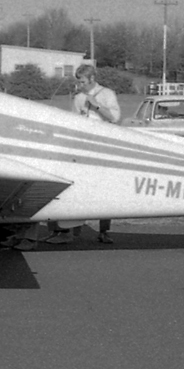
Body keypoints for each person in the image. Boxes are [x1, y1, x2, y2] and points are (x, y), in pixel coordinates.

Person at [69, 64, 120, 244]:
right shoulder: (78, 98)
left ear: (91, 79)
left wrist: (97, 106)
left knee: (104, 190)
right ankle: (73, 231)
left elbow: (115, 118)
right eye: (78, 81)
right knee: (78, 189)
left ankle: (104, 231)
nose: (80, 85)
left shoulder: (107, 94)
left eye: (82, 81)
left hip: (104, 149)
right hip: (83, 149)